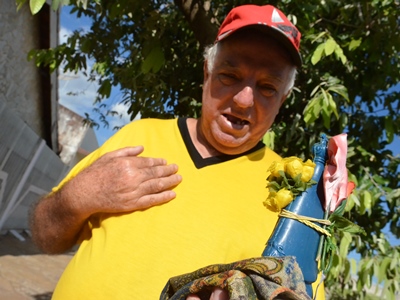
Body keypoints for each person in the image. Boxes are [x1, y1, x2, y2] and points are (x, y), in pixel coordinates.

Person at [30, 4, 324, 299]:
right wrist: (79, 195)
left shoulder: (295, 197)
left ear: (283, 98)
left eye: (268, 87)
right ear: (207, 71)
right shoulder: (138, 135)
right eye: (230, 75)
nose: (245, 99)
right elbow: (45, 237)